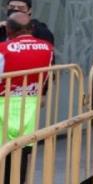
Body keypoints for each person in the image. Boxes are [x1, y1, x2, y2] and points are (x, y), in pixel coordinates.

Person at [0, 12, 54, 184]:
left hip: (4, 105)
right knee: (21, 154)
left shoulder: (3, 49)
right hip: (30, 105)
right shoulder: (47, 48)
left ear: (8, 29)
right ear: (32, 28)